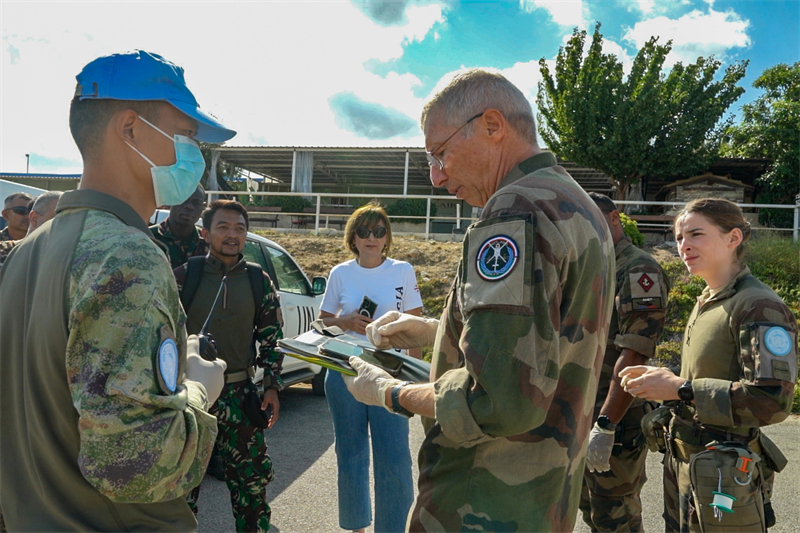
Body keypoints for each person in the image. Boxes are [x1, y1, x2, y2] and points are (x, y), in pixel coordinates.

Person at [344, 69, 616, 532]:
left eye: (440, 152)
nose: (436, 176)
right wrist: (438, 330)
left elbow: (498, 400)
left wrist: (389, 393)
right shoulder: (573, 203)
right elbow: (551, 337)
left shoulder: (515, 211)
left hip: (481, 502)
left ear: (493, 125)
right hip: (538, 498)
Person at [0, 50, 234, 531]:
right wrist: (197, 391)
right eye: (187, 135)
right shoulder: (126, 254)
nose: (196, 154)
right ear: (130, 130)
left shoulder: (27, 250)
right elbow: (134, 466)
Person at [619, 198, 797, 532]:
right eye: (679, 237)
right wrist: (666, 380)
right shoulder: (708, 300)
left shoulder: (758, 306)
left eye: (696, 234)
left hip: (724, 469)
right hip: (689, 462)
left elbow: (771, 401)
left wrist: (680, 388)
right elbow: (709, 377)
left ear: (733, 238)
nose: (683, 245)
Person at [175, 199, 284, 533]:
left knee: (251, 489)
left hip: (240, 395)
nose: (232, 234)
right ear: (206, 233)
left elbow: (272, 338)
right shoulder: (185, 275)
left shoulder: (257, 280)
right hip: (191, 398)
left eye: (239, 228)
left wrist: (271, 387)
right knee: (180, 489)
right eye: (223, 227)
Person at [317, 202, 423, 533]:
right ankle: (356, 527)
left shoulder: (402, 270)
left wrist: (415, 379)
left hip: (390, 372)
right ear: (354, 238)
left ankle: (392, 528)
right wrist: (346, 320)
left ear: (387, 237)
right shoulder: (340, 273)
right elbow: (323, 324)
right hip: (345, 369)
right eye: (364, 232)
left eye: (379, 231)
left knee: (394, 457)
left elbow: (417, 325)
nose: (371, 238)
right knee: (350, 454)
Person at [580, 192, 670, 532]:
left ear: (614, 219)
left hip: (617, 416)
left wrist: (605, 424)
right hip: (583, 410)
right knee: (590, 507)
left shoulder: (636, 269)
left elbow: (634, 352)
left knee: (613, 514)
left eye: (591, 220)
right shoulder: (593, 264)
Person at [151, 184, 209, 268]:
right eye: (183, 200)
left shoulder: (207, 242)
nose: (190, 206)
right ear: (170, 201)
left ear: (202, 208)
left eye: (196, 203)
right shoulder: (149, 236)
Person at [0, 191, 64, 267]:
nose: (27, 216)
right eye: (21, 211)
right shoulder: (4, 249)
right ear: (6, 215)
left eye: (30, 210)